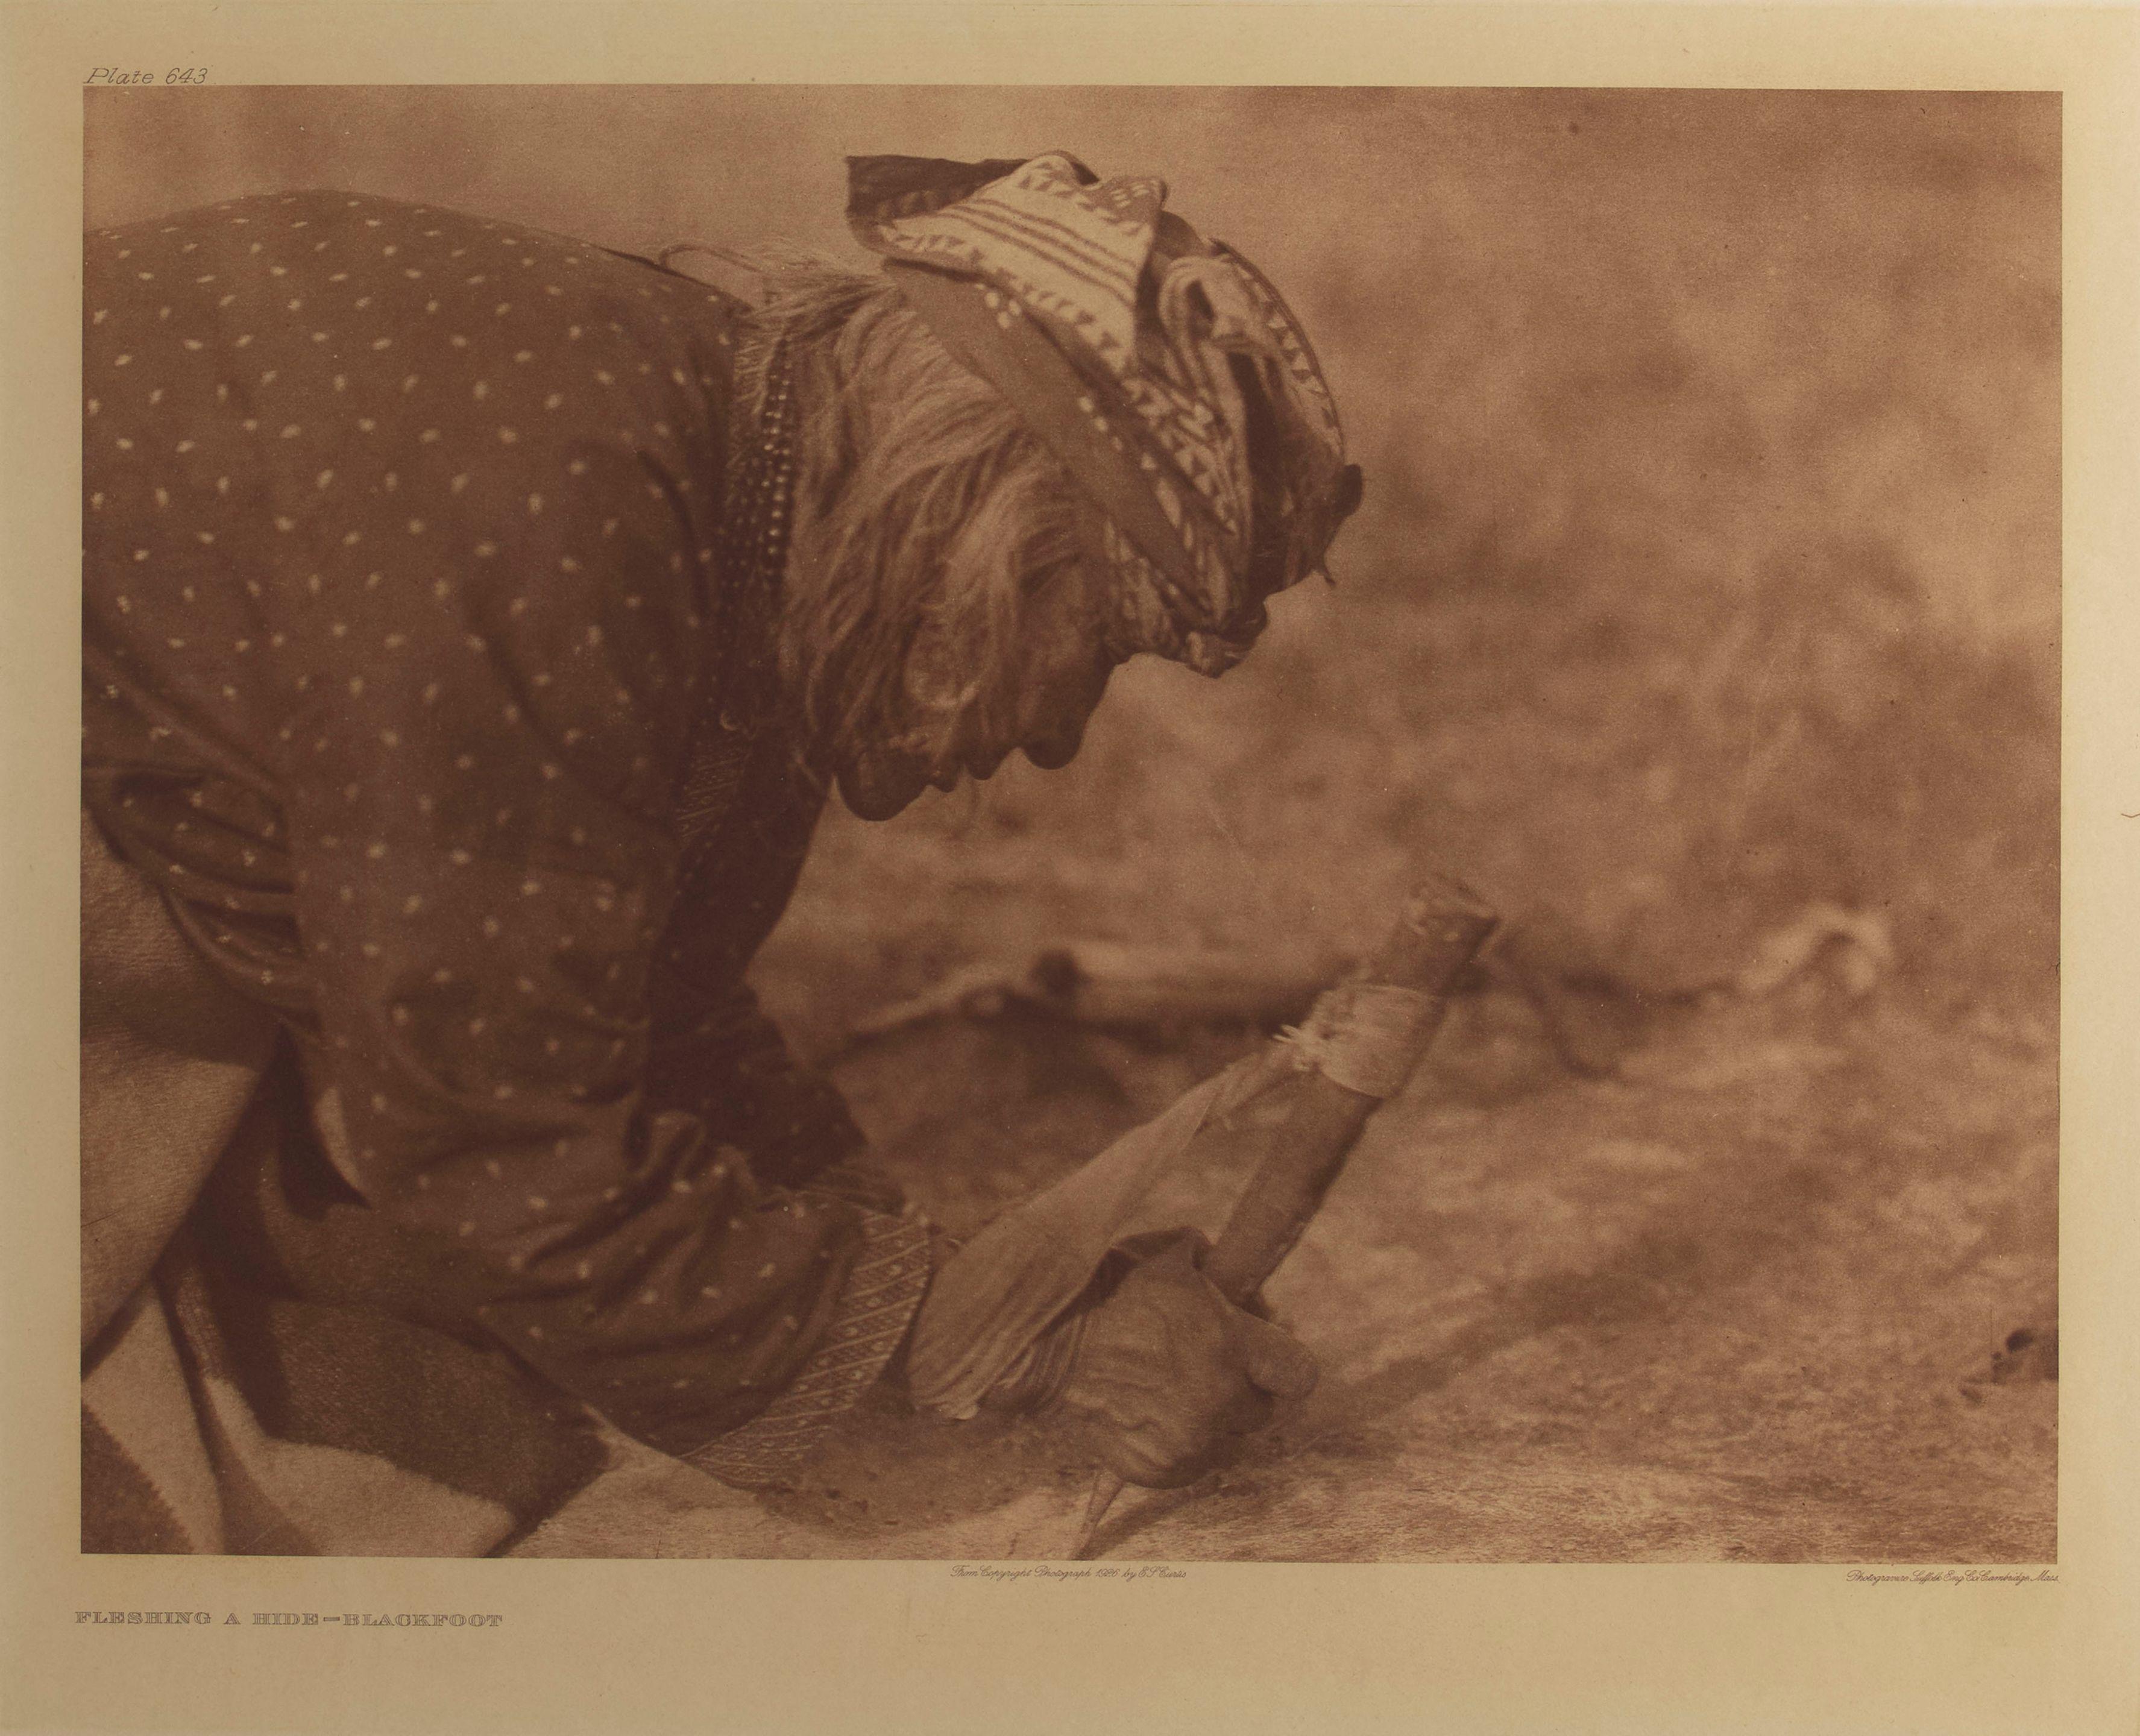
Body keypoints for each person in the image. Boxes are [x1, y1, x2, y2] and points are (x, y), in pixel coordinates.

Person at [79, 151, 1362, 1554]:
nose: (1056, 734)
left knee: (457, 1365)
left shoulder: (755, 494)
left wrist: (928, 1256)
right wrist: (997, 1335)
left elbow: (626, 999)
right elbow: (497, 1139)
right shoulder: (560, 508)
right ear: (975, 520)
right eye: (1096, 642)